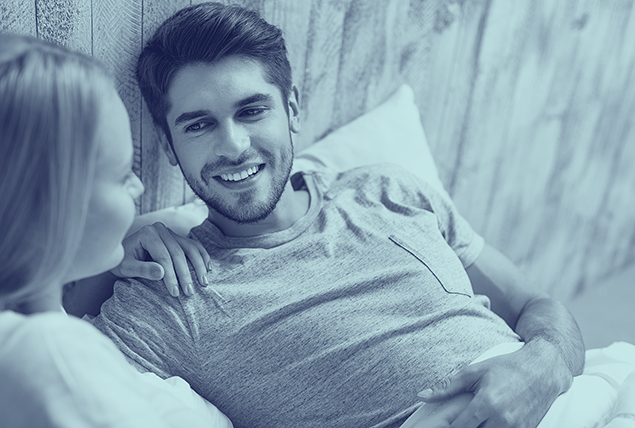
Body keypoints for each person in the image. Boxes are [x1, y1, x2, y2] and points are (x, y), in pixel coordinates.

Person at [90, 3, 586, 428]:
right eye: (199, 125)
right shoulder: (170, 295)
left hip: (571, 401)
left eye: (252, 111)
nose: (234, 146)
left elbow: (534, 304)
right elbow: (37, 365)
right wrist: (110, 247)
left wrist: (545, 363)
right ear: (170, 148)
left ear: (293, 109)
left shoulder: (389, 189)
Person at [0, 33, 233, 427]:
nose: (139, 188)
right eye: (123, 175)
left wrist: (84, 260)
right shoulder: (50, 358)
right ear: (53, 203)